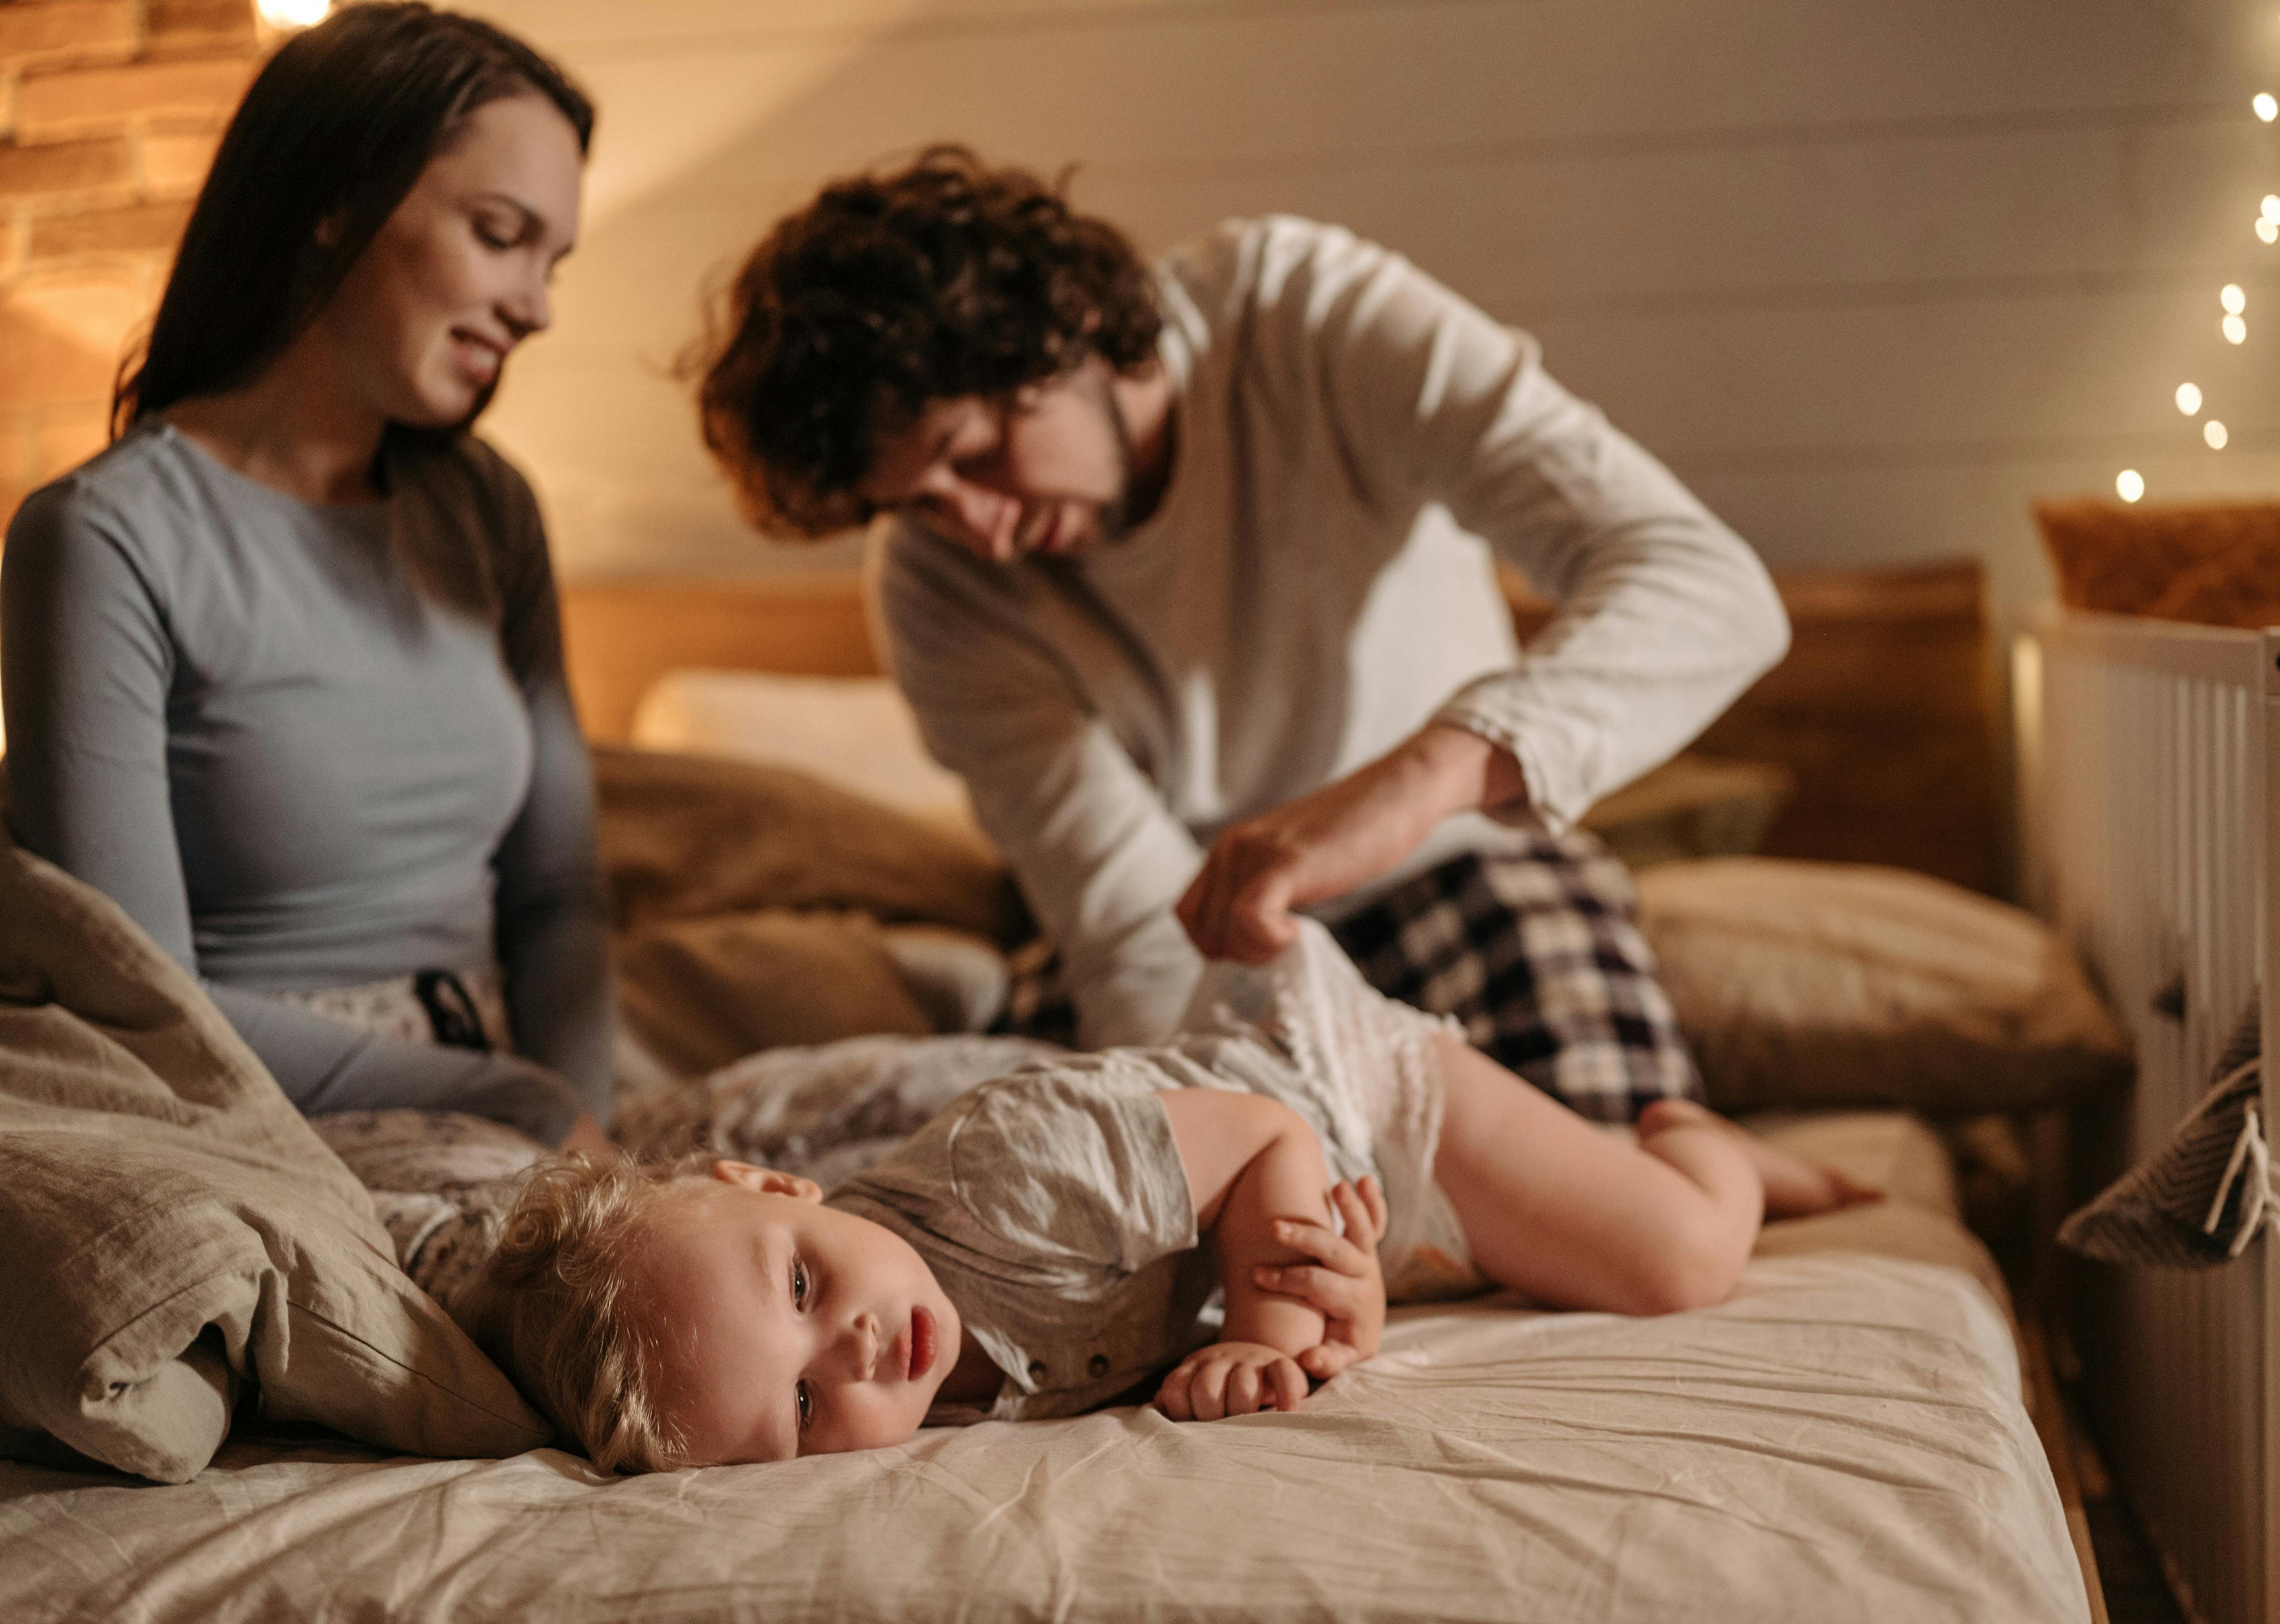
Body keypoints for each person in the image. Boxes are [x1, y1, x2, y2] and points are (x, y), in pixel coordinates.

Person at [691, 148, 1791, 1125]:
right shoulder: (938, 589)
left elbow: (1710, 588)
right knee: (1093, 1201)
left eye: (973, 452)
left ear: (1060, 331)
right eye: (918, 501)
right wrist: (1240, 1163)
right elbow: (1130, 927)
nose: (974, 528)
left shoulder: (1304, 316)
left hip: (1467, 871)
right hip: (1196, 937)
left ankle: (1740, 1173)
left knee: (1614, 1191)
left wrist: (1410, 786)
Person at [478, 925, 1875, 1471]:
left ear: (774, 1179)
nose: (845, 1350)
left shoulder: (1011, 1177)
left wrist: (1279, 1322)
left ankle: (1714, 1146)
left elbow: (1269, 1134)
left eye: (797, 1284)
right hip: (1281, 1212)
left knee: (1677, 1259)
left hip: (1344, 1087)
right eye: (795, 1410)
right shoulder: (914, 1407)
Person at [0, 4, 613, 1149]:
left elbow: (559, 898)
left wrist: (595, 1142)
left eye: (553, 261)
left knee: (1004, 1129)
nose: (535, 306)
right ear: (336, 201)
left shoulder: (491, 509)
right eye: (499, 233)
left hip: (532, 1106)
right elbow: (137, 1002)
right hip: (280, 1123)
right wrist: (517, 1107)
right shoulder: (102, 536)